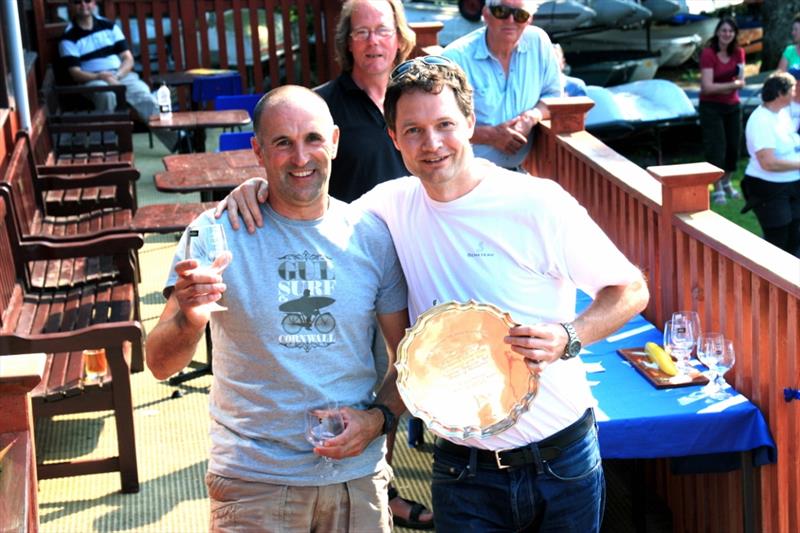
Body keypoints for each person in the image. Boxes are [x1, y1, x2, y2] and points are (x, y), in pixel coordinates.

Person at [216, 56, 650, 532]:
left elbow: (630, 289)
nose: (432, 143)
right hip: (462, 466)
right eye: (414, 130)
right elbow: (314, 214)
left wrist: (569, 335)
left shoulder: (538, 203)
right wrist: (256, 187)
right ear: (394, 138)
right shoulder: (387, 207)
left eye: (444, 124)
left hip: (560, 456)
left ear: (470, 122)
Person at [146, 86, 410, 531]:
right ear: (257, 150)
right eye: (282, 142)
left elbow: (410, 360)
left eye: (312, 139)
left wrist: (378, 420)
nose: (301, 157)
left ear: (336, 141)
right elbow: (158, 364)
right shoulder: (215, 234)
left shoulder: (372, 236)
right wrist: (190, 317)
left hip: (355, 481)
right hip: (254, 481)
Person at [314, 1, 433, 526]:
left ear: (398, 36)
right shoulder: (325, 105)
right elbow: (286, 165)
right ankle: (382, 491)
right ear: (347, 42)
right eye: (360, 32)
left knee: (425, 363)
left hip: (423, 255)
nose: (372, 41)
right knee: (372, 378)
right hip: (357, 268)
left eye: (381, 29)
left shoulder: (416, 95)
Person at [442, 0, 562, 170]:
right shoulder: (455, 58)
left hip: (517, 172)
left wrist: (532, 117)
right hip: (462, 173)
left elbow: (554, 97)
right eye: (501, 11)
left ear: (529, 20)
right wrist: (490, 136)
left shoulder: (539, 42)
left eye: (520, 15)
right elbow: (440, 125)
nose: (510, 20)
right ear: (486, 14)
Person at [59, 0, 187, 152]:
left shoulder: (109, 26)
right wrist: (100, 77)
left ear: (94, 3)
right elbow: (76, 73)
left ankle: (180, 140)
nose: (83, 5)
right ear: (71, 5)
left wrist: (117, 76)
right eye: (77, 2)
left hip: (120, 74)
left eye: (87, 1)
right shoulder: (68, 37)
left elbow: (128, 59)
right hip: (93, 79)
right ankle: (109, 146)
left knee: (143, 94)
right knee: (107, 95)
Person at [741, 72, 800, 258]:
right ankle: (765, 283)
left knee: (795, 236)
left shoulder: (782, 113)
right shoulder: (761, 120)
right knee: (778, 240)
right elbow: (768, 163)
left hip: (792, 185)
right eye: (792, 89)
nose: (795, 93)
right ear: (781, 93)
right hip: (769, 188)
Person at [698, 16, 746, 205]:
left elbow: (742, 83)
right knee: (716, 148)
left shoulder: (739, 53)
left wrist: (730, 86)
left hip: (732, 106)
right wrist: (732, 84)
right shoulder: (708, 54)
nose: (727, 34)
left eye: (730, 31)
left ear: (734, 34)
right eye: (724, 30)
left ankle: (727, 182)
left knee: (734, 147)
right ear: (718, 32)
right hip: (711, 107)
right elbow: (707, 88)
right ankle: (716, 187)